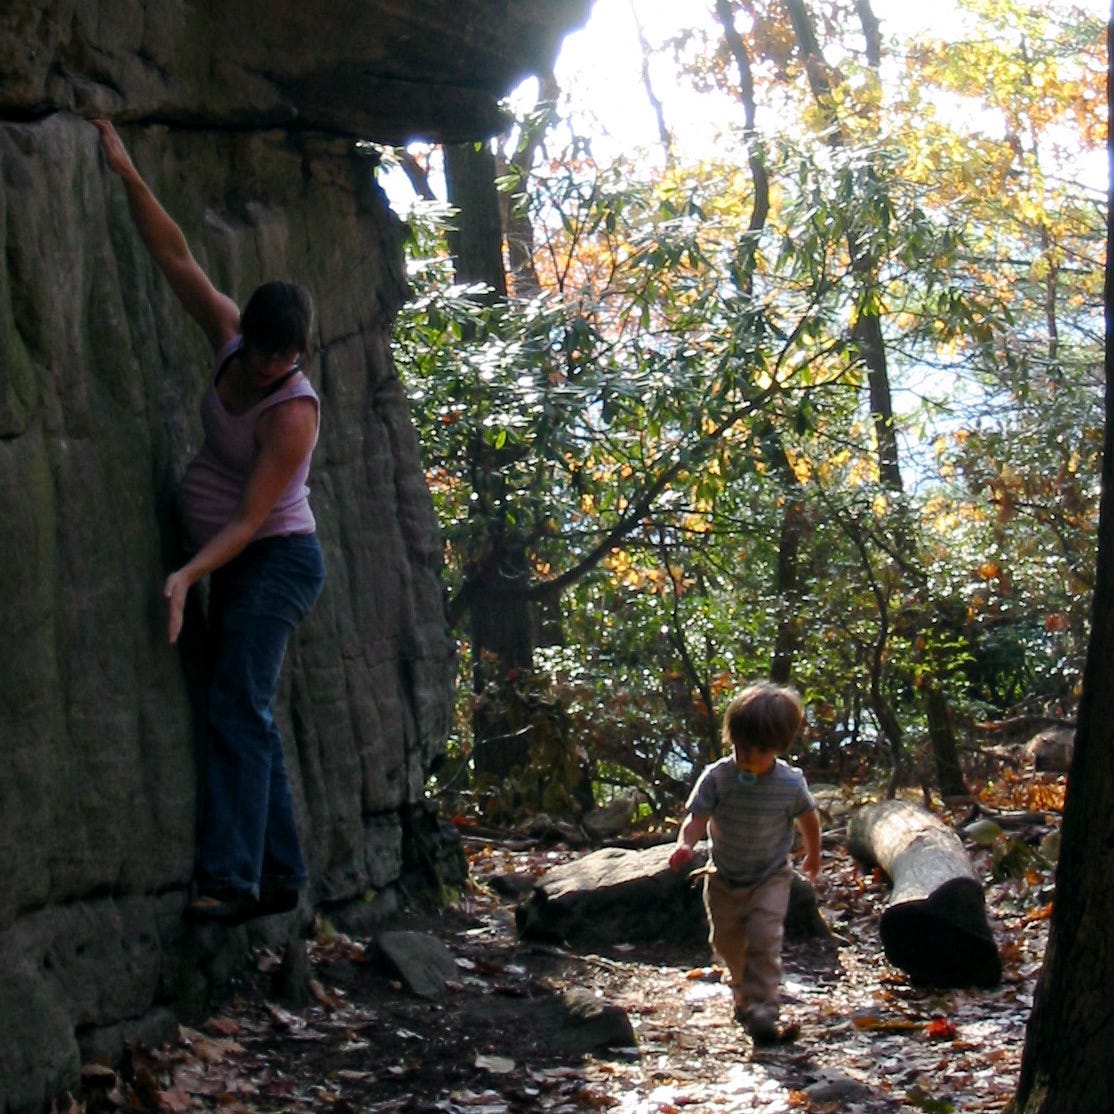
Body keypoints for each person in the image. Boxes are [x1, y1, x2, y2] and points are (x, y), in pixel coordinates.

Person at [93, 120, 325, 926]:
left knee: (237, 704)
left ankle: (232, 881)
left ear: (298, 353)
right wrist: (126, 172)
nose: (264, 366)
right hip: (232, 559)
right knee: (245, 706)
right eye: (260, 350)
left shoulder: (293, 412)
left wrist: (191, 573)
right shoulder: (231, 340)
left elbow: (252, 518)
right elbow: (176, 257)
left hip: (277, 559)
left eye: (279, 357)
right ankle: (283, 872)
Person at [670, 682, 821, 1044]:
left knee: (764, 939)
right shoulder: (718, 776)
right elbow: (696, 818)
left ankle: (764, 1007)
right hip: (723, 876)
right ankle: (741, 989)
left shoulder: (789, 782)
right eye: (742, 748)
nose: (749, 757)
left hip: (771, 875)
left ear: (779, 746)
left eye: (760, 750)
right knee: (726, 942)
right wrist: (685, 844)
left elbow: (808, 817)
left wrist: (814, 852)